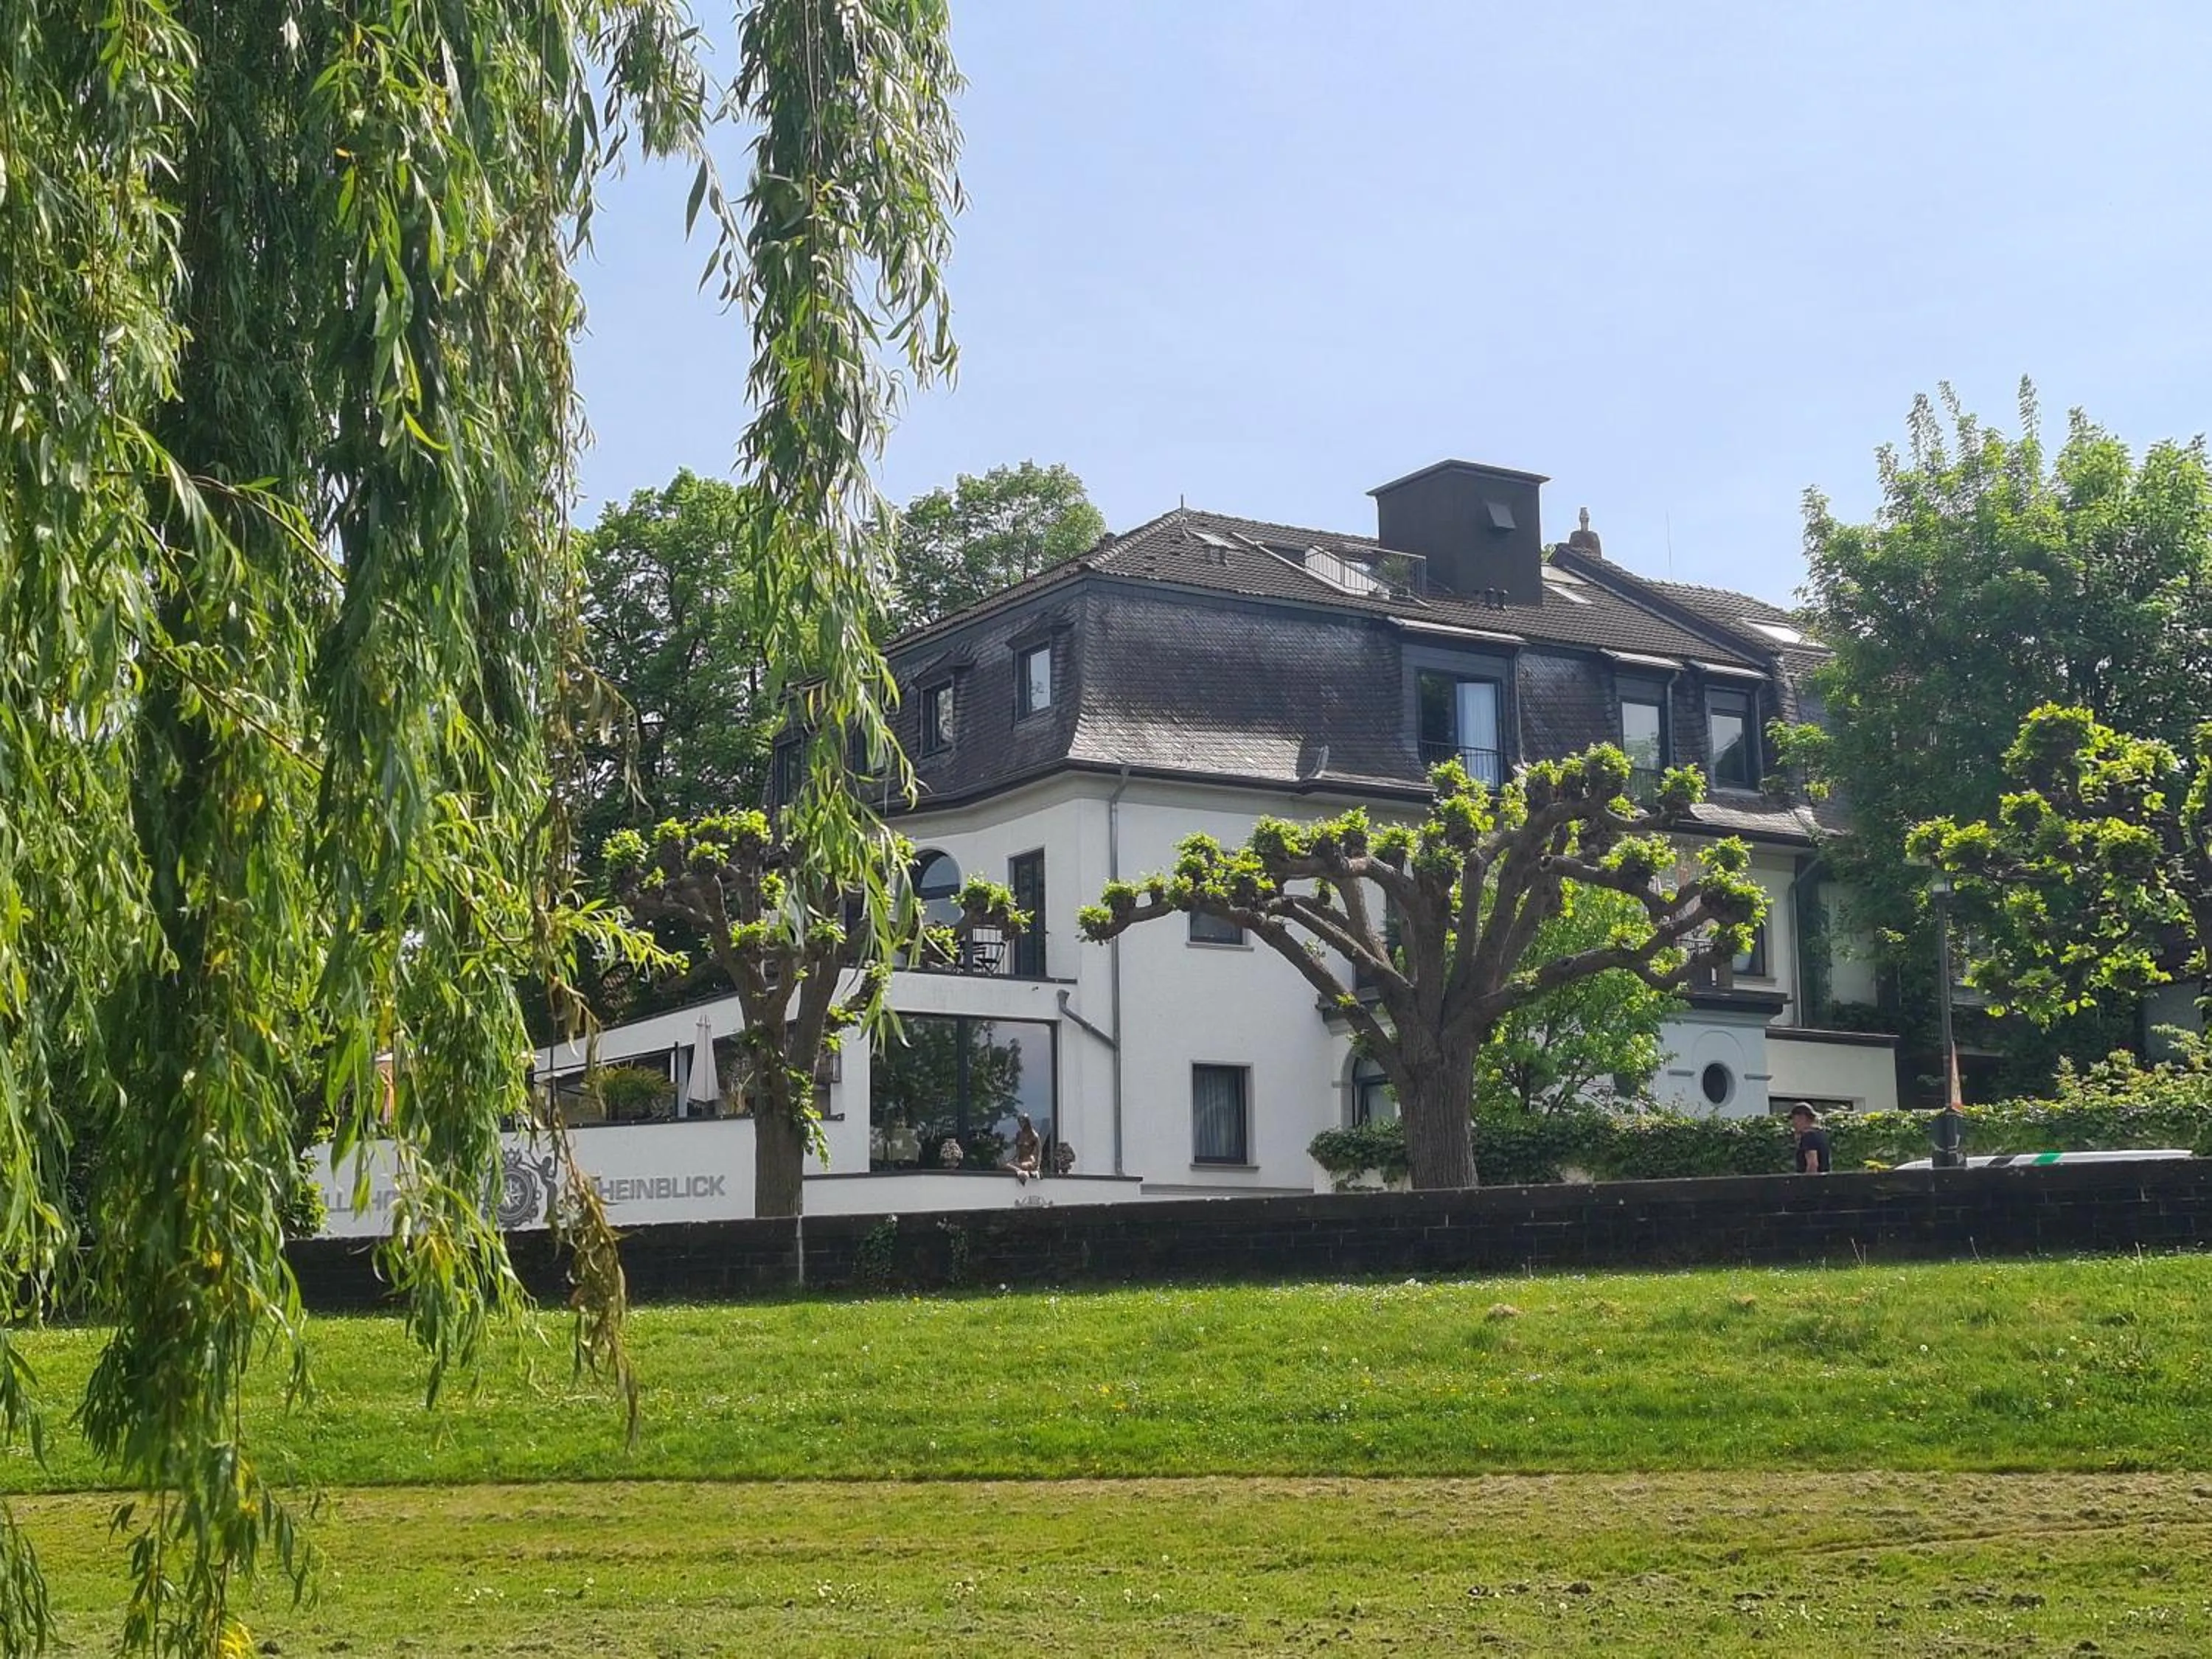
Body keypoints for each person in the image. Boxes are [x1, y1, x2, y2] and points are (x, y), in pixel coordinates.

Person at [1788, 1104, 1831, 1175]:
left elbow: (1813, 1164)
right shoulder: (1821, 1134)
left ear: (1802, 1118)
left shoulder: (1808, 1136)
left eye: (1794, 1119)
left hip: (1813, 1183)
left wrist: (1807, 1182)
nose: (1793, 1123)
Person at [1008, 1112, 1043, 1184]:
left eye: (1023, 1122)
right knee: (1005, 1165)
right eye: (1019, 1122)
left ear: (1027, 1122)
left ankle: (1022, 1171)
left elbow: (1039, 1152)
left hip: (1029, 1161)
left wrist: (1038, 1166)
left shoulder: (1034, 1136)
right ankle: (1019, 1171)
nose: (1021, 1124)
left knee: (1023, 1165)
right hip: (1020, 1161)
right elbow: (1017, 1150)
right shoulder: (1019, 1134)